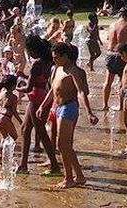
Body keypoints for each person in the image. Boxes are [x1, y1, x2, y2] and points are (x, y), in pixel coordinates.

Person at [37, 42, 98, 189]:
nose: (54, 60)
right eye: (53, 57)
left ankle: (68, 178)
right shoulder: (58, 68)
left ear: (65, 56)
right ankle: (80, 176)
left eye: (57, 57)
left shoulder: (73, 71)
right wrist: (42, 106)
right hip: (58, 107)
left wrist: (89, 112)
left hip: (68, 107)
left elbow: (82, 91)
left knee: (62, 145)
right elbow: (53, 90)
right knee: (66, 146)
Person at [17, 36, 61, 175]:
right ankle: (23, 165)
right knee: (25, 129)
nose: (28, 54)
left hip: (36, 98)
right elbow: (39, 81)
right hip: (43, 96)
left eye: (29, 51)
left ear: (34, 50)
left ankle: (54, 165)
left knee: (40, 131)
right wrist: (25, 78)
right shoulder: (49, 62)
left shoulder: (37, 64)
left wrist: (19, 87)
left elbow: (29, 87)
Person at [102, 8, 127, 111]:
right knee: (123, 81)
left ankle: (105, 105)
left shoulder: (112, 25)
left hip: (110, 54)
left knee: (108, 81)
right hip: (122, 55)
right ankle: (121, 106)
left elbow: (108, 39)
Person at [0, 75, 22, 156]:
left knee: (5, 137)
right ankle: (8, 156)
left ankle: (0, 155)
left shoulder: (1, 94)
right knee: (14, 137)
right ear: (13, 86)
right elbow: (14, 111)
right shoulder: (14, 97)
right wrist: (20, 121)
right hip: (5, 118)